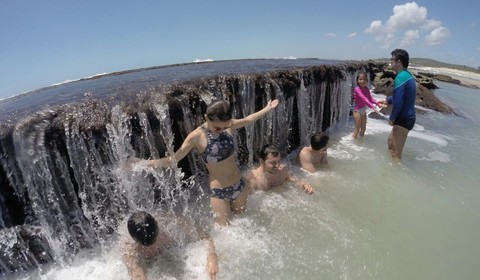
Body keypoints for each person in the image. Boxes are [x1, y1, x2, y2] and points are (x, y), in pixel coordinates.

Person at [140, 99, 279, 226]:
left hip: (240, 186)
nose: (222, 130)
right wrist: (144, 163)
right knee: (225, 233)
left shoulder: (227, 124)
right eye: (217, 128)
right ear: (206, 117)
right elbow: (173, 160)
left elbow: (249, 120)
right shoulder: (196, 137)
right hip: (220, 192)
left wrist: (268, 108)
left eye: (225, 127)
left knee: (242, 226)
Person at [120, 211, 218, 280]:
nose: (151, 245)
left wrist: (212, 256)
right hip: (154, 265)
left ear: (157, 224)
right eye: (146, 244)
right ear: (134, 239)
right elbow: (137, 275)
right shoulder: (128, 248)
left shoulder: (170, 220)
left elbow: (203, 237)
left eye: (155, 238)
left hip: (175, 255)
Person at [378, 49, 416, 161]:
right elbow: (401, 97)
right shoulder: (406, 75)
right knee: (390, 143)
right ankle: (391, 173)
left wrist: (392, 118)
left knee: (396, 154)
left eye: (392, 60)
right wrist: (388, 100)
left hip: (403, 119)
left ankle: (397, 175)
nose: (390, 62)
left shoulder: (400, 77)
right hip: (406, 118)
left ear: (398, 62)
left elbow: (399, 102)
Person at [244, 144, 314, 194]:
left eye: (278, 161)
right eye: (273, 162)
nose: (277, 165)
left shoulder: (282, 171)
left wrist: (304, 185)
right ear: (262, 161)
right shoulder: (252, 179)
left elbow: (295, 180)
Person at [352, 71, 386, 139]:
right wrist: (372, 107)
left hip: (363, 110)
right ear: (357, 81)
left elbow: (370, 99)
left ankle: (359, 145)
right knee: (357, 129)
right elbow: (364, 98)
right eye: (360, 79)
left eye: (364, 79)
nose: (362, 81)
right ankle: (352, 143)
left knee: (363, 129)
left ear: (367, 81)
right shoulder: (357, 89)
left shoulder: (366, 89)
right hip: (357, 111)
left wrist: (377, 104)